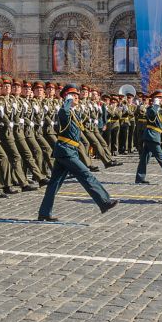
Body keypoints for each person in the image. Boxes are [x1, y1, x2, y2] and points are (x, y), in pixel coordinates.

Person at [38, 84, 118, 221]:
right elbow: (64, 112)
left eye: (76, 95)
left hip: (70, 150)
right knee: (85, 174)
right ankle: (104, 201)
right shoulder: (64, 111)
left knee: (54, 183)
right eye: (72, 95)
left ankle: (44, 213)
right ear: (66, 97)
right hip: (66, 150)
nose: (76, 97)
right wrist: (67, 101)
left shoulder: (74, 112)